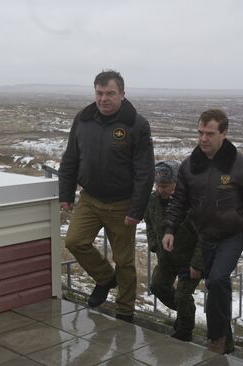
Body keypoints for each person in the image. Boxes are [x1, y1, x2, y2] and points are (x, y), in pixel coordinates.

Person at [162, 109, 243, 354]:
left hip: (233, 234)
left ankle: (217, 338)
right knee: (215, 289)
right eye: (200, 132)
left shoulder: (242, 165)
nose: (203, 138)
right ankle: (228, 344)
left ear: (224, 133)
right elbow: (179, 201)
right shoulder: (190, 166)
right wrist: (170, 229)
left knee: (217, 279)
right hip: (205, 234)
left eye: (209, 133)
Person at [58, 70, 155, 323]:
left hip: (122, 204)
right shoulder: (83, 119)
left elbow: (145, 172)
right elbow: (70, 159)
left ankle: (125, 311)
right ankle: (105, 278)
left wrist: (136, 209)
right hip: (90, 198)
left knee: (124, 261)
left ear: (122, 94)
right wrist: (66, 194)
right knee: (75, 241)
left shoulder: (136, 125)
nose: (104, 99)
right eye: (99, 93)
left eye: (110, 93)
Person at [144, 160, 203, 342]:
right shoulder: (153, 200)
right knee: (157, 286)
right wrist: (154, 244)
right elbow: (149, 223)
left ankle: (184, 332)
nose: (161, 189)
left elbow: (204, 236)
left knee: (182, 295)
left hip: (189, 259)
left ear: (177, 183)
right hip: (166, 258)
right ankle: (186, 312)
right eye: (158, 185)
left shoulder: (192, 203)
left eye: (166, 185)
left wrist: (197, 263)